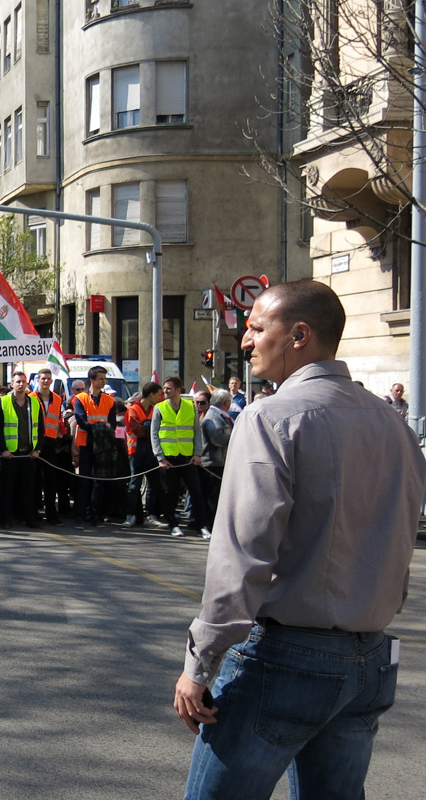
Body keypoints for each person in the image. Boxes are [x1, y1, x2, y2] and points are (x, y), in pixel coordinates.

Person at [174, 280, 426, 799]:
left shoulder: (270, 418)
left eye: (257, 327)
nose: (245, 340)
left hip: (288, 660)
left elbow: (240, 556)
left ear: (299, 336)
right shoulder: (393, 424)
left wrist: (200, 663)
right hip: (370, 660)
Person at [150, 376, 212, 539]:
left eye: (168, 388)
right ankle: (173, 524)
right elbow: (154, 434)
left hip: (187, 457)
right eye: (164, 388)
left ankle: (202, 525)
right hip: (168, 457)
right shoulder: (159, 407)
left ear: (178, 390)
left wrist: (197, 453)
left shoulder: (190, 406)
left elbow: (197, 431)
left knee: (196, 491)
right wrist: (160, 457)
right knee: (170, 492)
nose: (165, 391)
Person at [0, 371, 44, 528]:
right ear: (12, 384)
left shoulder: (34, 403)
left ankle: (28, 518)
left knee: (29, 488)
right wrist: (3, 450)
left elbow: (41, 429)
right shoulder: (3, 402)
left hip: (29, 453)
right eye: (18, 382)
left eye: (23, 381)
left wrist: (38, 450)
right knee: (8, 488)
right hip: (10, 454)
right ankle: (6, 518)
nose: (21, 384)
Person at [72, 368, 117, 527]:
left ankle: (96, 515)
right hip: (86, 444)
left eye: (104, 379)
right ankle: (79, 514)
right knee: (84, 481)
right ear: (91, 380)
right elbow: (81, 420)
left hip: (103, 444)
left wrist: (99, 429)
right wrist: (99, 428)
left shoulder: (109, 400)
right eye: (100, 379)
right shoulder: (80, 398)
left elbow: (112, 422)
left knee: (99, 481)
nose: (103, 382)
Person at [123, 382, 164, 529]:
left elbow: (160, 428)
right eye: (159, 394)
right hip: (136, 452)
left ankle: (151, 515)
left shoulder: (156, 409)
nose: (160, 397)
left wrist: (147, 425)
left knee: (154, 484)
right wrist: (149, 426)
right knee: (135, 485)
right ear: (151, 394)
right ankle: (132, 515)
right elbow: (136, 429)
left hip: (152, 451)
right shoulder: (133, 410)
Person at [31, 368, 65, 524]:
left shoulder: (57, 399)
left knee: (51, 480)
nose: (45, 381)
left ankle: (52, 513)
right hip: (34, 442)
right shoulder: (30, 397)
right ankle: (34, 512)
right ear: (38, 380)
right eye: (43, 378)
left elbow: (58, 421)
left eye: (48, 378)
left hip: (50, 442)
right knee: (34, 479)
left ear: (52, 381)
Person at [198, 388, 233, 520]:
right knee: (212, 496)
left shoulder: (222, 416)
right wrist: (235, 436)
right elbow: (217, 439)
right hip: (212, 463)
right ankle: (210, 523)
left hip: (220, 461)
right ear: (226, 403)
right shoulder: (213, 417)